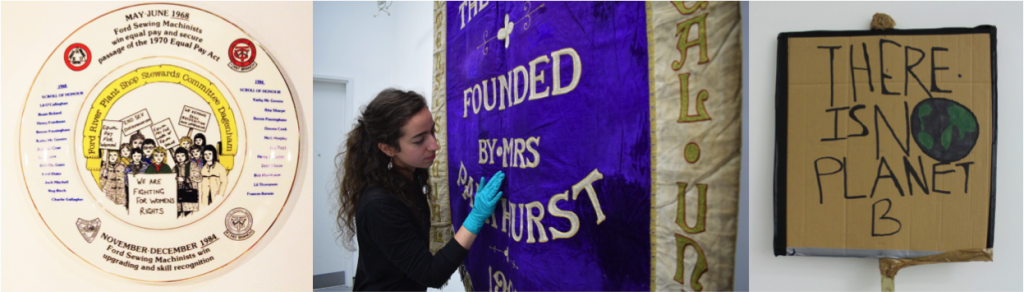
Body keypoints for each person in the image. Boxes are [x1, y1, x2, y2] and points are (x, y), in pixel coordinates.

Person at [335, 89, 505, 291]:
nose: (435, 145)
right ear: (388, 148)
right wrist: (476, 217)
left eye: (432, 131)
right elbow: (430, 274)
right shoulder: (379, 204)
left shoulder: (408, 177)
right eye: (419, 140)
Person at [172, 147, 201, 217]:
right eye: (178, 156)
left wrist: (185, 179)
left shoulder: (192, 165)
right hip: (179, 197)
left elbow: (199, 178)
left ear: (186, 156)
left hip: (190, 196)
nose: (180, 158)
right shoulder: (174, 168)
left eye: (182, 156)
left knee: (189, 216)